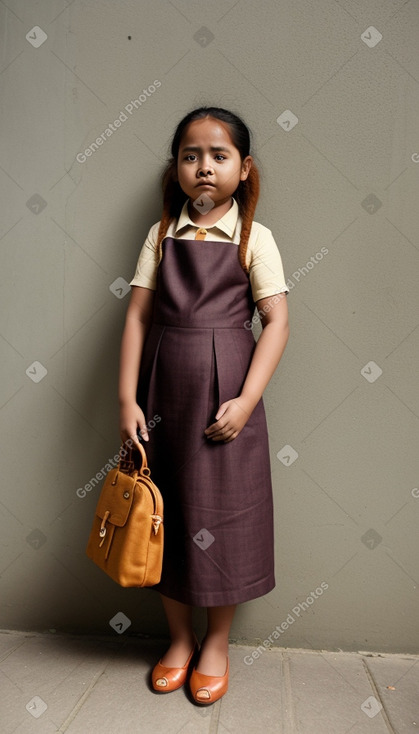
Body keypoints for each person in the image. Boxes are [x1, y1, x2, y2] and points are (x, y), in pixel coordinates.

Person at [118, 106, 290, 705]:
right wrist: (126, 398)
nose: (204, 167)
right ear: (176, 169)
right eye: (191, 155)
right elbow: (138, 313)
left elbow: (277, 322)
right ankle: (179, 638)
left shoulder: (254, 237)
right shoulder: (160, 232)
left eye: (219, 156)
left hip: (225, 405)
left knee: (224, 519)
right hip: (163, 397)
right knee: (167, 516)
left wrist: (245, 401)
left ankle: (216, 642)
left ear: (244, 169)